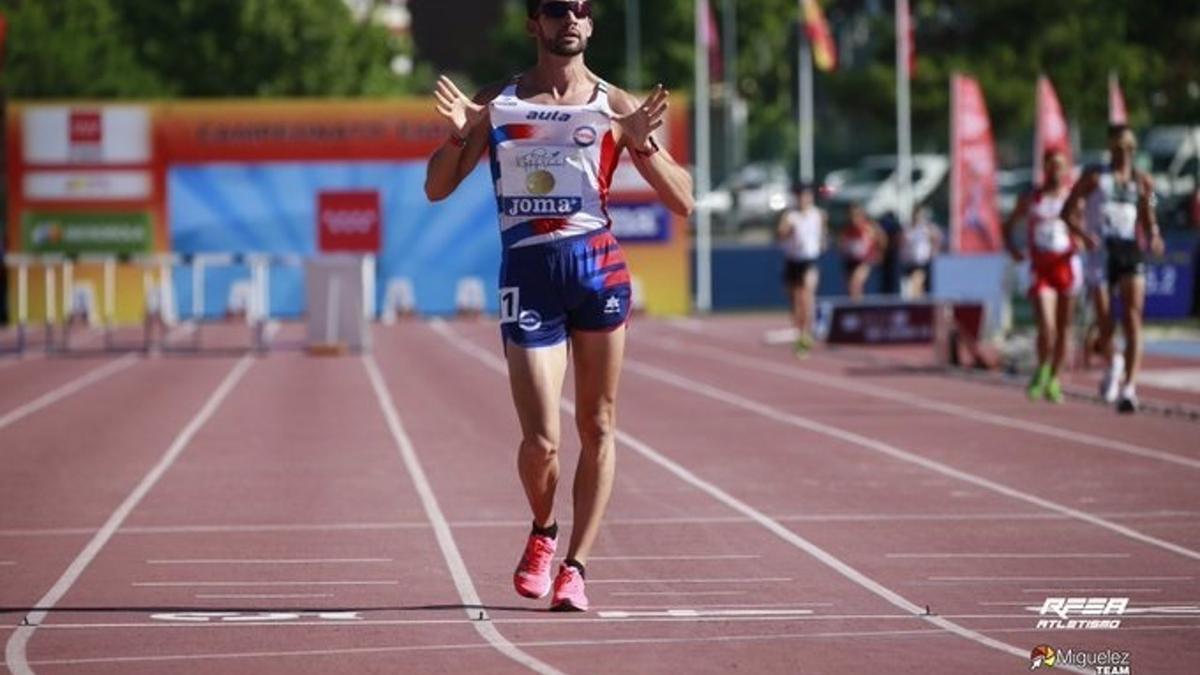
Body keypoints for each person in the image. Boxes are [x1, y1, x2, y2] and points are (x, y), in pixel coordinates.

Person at [424, 0, 694, 612]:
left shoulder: (615, 102)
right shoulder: (498, 101)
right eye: (555, 9)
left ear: (591, 25)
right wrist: (461, 131)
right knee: (541, 440)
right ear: (534, 24)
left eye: (581, 9)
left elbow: (684, 202)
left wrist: (641, 146)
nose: (569, 18)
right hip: (529, 274)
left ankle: (576, 565)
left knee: (597, 424)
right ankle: (543, 531)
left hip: (597, 268)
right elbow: (436, 187)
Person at [1063, 124, 1164, 413]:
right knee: (1105, 325)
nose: (1124, 154)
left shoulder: (1143, 181)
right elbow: (1067, 211)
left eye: (1129, 148)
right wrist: (1082, 235)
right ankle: (1113, 359)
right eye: (1119, 148)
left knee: (1133, 317)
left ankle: (1130, 388)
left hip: (1129, 251)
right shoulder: (1094, 177)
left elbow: (1150, 207)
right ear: (1110, 149)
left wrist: (1154, 234)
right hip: (1101, 253)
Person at [1003, 149, 1077, 403]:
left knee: (1064, 329)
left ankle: (1054, 379)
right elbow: (1009, 224)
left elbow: (1084, 226)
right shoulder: (1031, 198)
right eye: (1052, 166)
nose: (1056, 171)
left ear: (1066, 170)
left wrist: (1082, 239)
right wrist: (1013, 249)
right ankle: (1042, 369)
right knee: (1047, 327)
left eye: (1061, 166)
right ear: (1045, 168)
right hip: (1040, 268)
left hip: (1066, 266)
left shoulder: (1072, 198)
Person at [776, 183, 827, 356]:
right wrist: (788, 232)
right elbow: (780, 234)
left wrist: (821, 243)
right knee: (796, 301)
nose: (804, 199)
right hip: (793, 261)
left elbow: (822, 235)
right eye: (801, 196)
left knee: (807, 296)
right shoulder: (790, 216)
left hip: (809, 261)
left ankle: (806, 333)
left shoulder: (818, 214)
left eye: (807, 196)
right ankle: (800, 330)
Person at [838, 204, 886, 301]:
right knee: (851, 288)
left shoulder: (868, 228)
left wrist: (879, 253)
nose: (854, 218)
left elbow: (882, 239)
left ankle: (857, 306)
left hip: (864, 261)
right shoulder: (847, 229)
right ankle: (855, 306)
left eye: (856, 215)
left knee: (855, 282)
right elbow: (842, 244)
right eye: (852, 215)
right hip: (850, 261)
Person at [899, 205, 942, 299]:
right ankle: (917, 306)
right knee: (911, 288)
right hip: (909, 262)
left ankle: (918, 306)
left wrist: (934, 251)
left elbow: (936, 237)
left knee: (917, 284)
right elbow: (902, 243)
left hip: (922, 262)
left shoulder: (926, 227)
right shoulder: (907, 228)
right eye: (915, 215)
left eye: (919, 215)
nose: (917, 217)